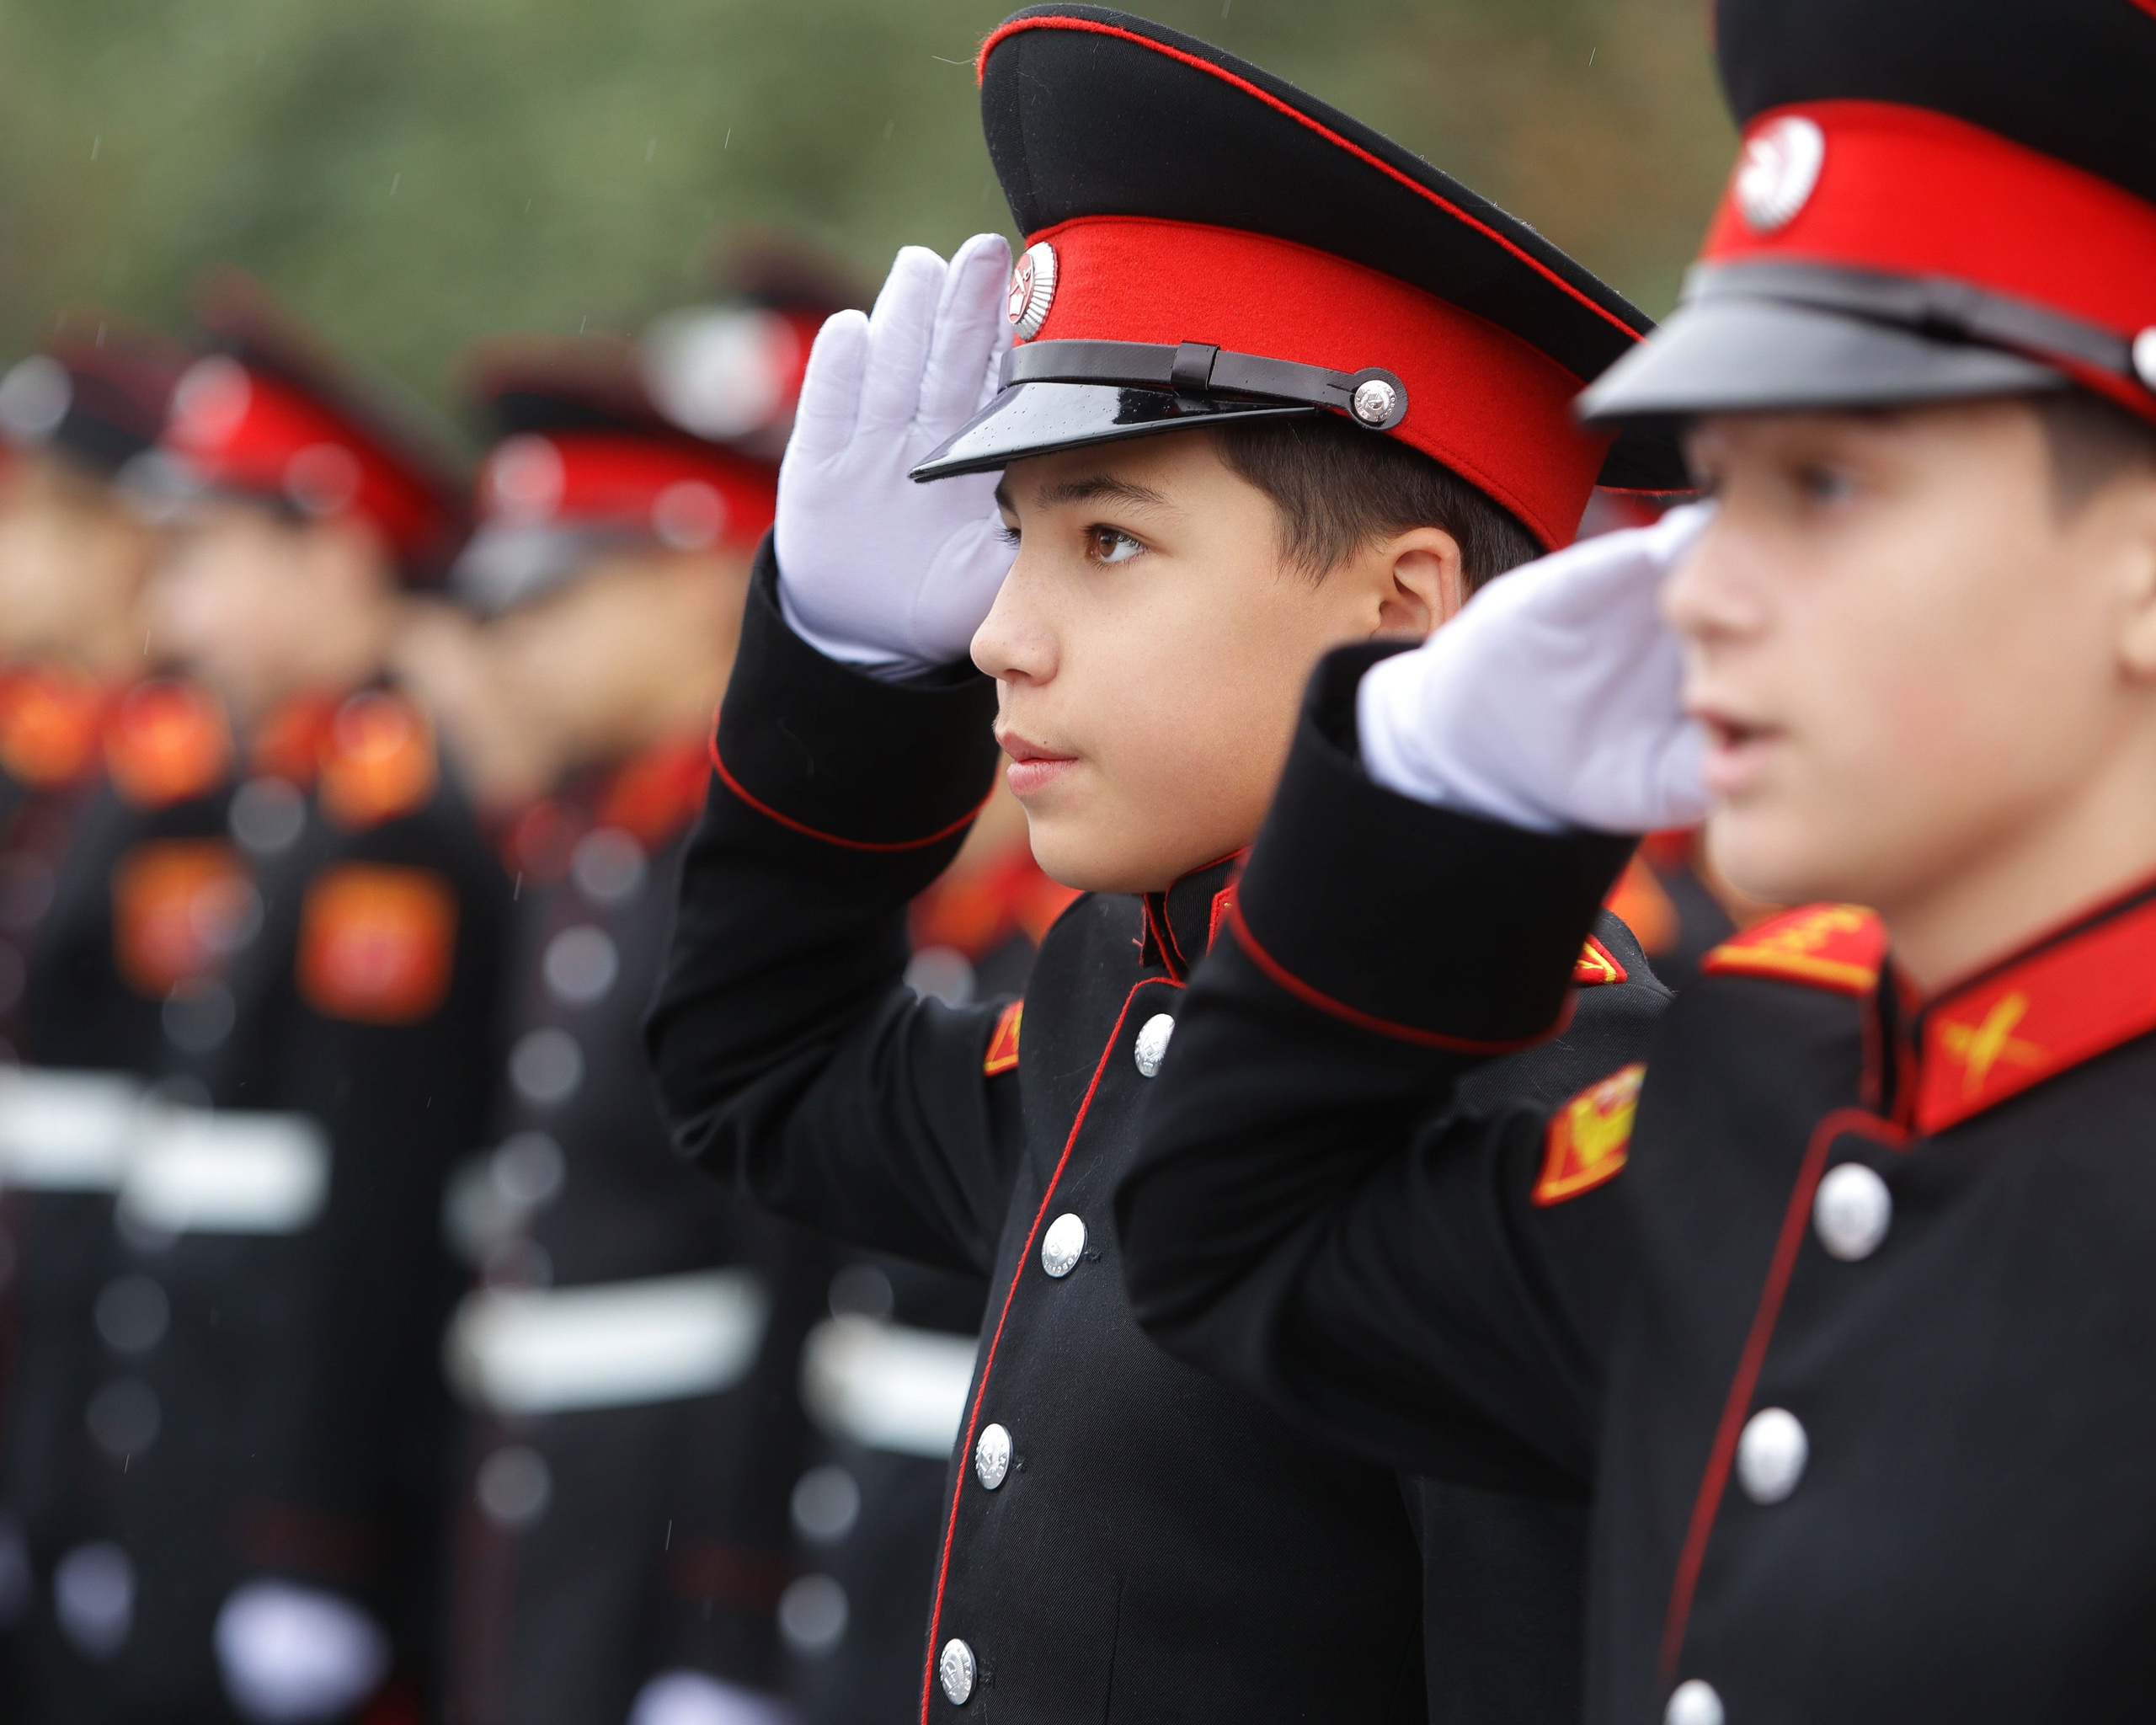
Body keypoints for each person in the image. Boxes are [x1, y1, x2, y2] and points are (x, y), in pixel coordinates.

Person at [1114, 2, 2156, 1722]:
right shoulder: (1777, 1073)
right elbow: (1242, 1254)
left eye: (1820, 486)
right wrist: (1433, 799)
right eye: (1713, 494)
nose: (1696, 590)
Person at [647, 10, 1681, 1722]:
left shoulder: (1525, 1094)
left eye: (1108, 538)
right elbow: (758, 1075)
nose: (996, 631)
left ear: (1402, 610)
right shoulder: (1114, 999)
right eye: (1015, 538)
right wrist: (841, 662)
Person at [16, 275, 508, 1725]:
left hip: (276, 1472)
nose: (181, 609)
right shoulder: (290, 797)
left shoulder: (392, 829)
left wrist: (310, 1538)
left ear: (339, 556)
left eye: (216, 559)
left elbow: (370, 1207)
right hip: (185, 1445)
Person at [420, 334, 820, 1725]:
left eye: (557, 606)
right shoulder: (601, 838)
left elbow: (789, 1265)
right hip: (555, 1483)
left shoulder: (755, 855)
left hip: (672, 1511)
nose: (513, 650)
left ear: (701, 583)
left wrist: (731, 1611)